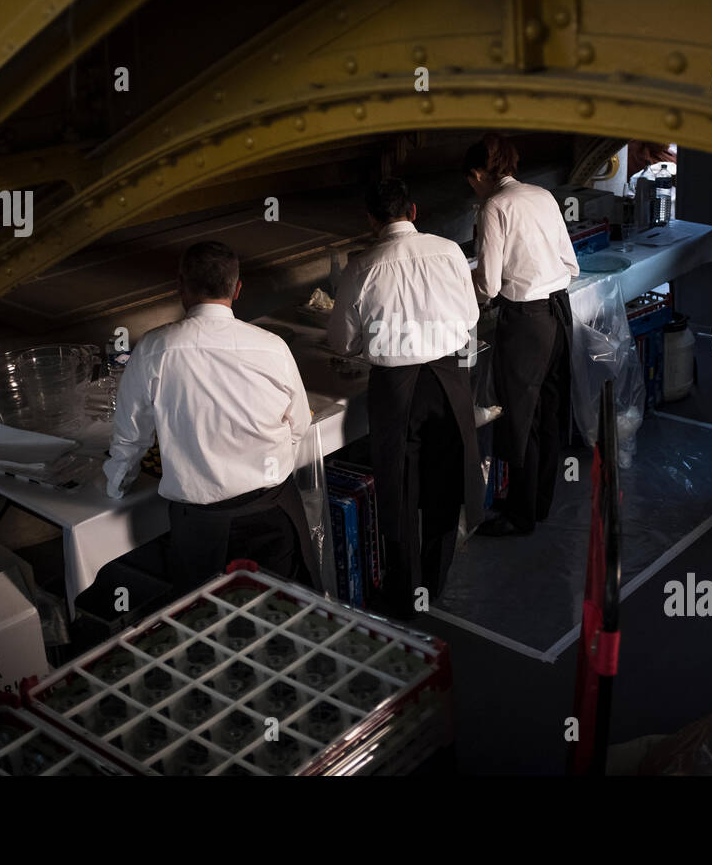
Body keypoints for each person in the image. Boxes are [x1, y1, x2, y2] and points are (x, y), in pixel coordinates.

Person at [104, 241, 313, 594]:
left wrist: (115, 486)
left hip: (200, 525)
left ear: (180, 286)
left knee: (206, 621)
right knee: (280, 616)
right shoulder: (272, 346)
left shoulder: (155, 348)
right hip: (273, 510)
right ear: (237, 288)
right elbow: (299, 425)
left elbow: (131, 437)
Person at [327, 178, 484, 619]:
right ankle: (435, 582)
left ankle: (404, 591)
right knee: (445, 479)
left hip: (395, 388)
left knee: (398, 486)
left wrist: (370, 344)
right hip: (448, 378)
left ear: (372, 220)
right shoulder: (449, 251)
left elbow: (340, 341)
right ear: (413, 211)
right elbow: (471, 314)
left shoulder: (362, 266)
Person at [465, 132, 579, 536]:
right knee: (548, 411)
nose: (473, 189)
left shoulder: (494, 206)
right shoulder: (543, 195)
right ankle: (539, 503)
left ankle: (520, 515)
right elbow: (570, 262)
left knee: (521, 418)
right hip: (559, 313)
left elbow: (490, 286)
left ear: (479, 174)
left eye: (471, 182)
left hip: (527, 321)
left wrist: (465, 283)